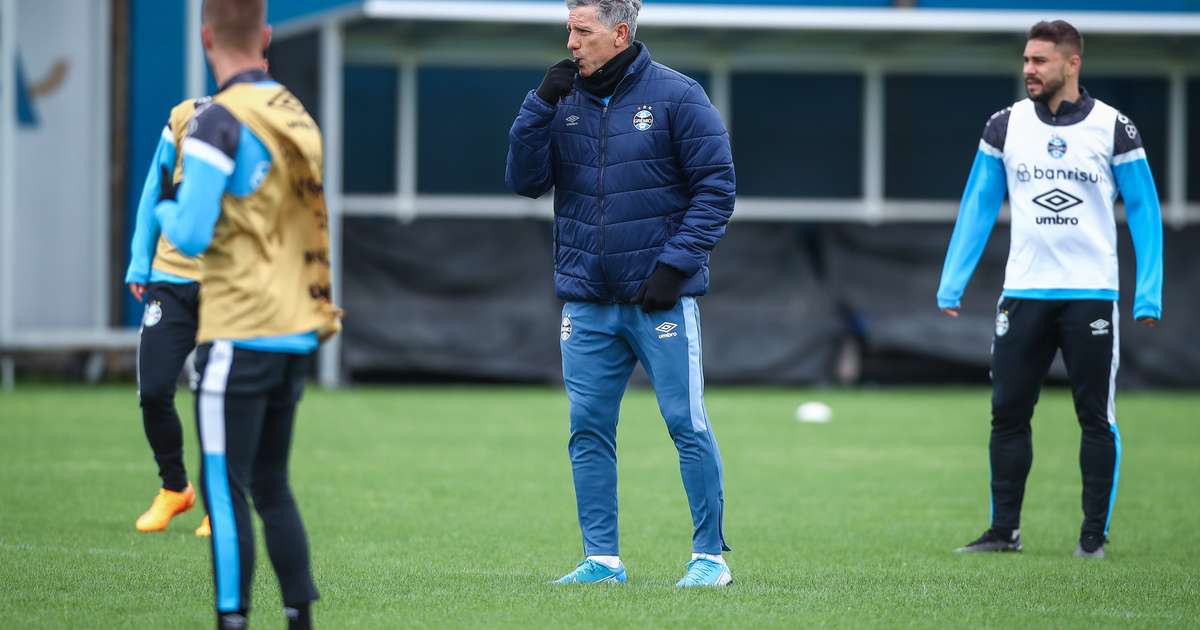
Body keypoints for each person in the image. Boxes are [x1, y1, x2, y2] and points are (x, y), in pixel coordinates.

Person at [506, 0, 736, 587]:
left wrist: (674, 266)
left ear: (620, 33)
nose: (572, 42)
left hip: (659, 301)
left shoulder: (679, 97)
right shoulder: (560, 102)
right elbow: (524, 182)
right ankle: (602, 561)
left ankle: (709, 559)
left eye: (582, 31)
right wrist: (538, 105)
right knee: (587, 428)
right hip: (586, 300)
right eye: (569, 30)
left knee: (687, 424)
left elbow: (717, 189)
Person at [937, 20, 1162, 559]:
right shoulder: (1004, 125)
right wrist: (952, 283)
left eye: (1039, 61)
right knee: (1008, 413)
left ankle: (1091, 538)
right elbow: (978, 203)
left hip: (1090, 295)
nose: (1028, 70)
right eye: (1026, 60)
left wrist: (1147, 293)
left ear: (1072, 63)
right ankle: (1003, 532)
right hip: (1024, 294)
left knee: (1095, 418)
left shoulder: (1115, 128)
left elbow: (1147, 212)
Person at [153, 0, 341, 626]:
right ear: (265, 35)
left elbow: (191, 232)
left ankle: (231, 618)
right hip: (295, 330)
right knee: (272, 484)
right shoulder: (296, 115)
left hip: (238, 330)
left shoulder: (218, 122)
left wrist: (162, 209)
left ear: (207, 38)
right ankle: (298, 617)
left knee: (225, 491)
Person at [125, 95, 212, 538]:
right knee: (155, 389)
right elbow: (153, 188)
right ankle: (175, 487)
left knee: (217, 399)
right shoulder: (183, 115)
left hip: (226, 283)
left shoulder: (260, 115)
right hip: (169, 278)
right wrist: (141, 260)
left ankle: (221, 504)